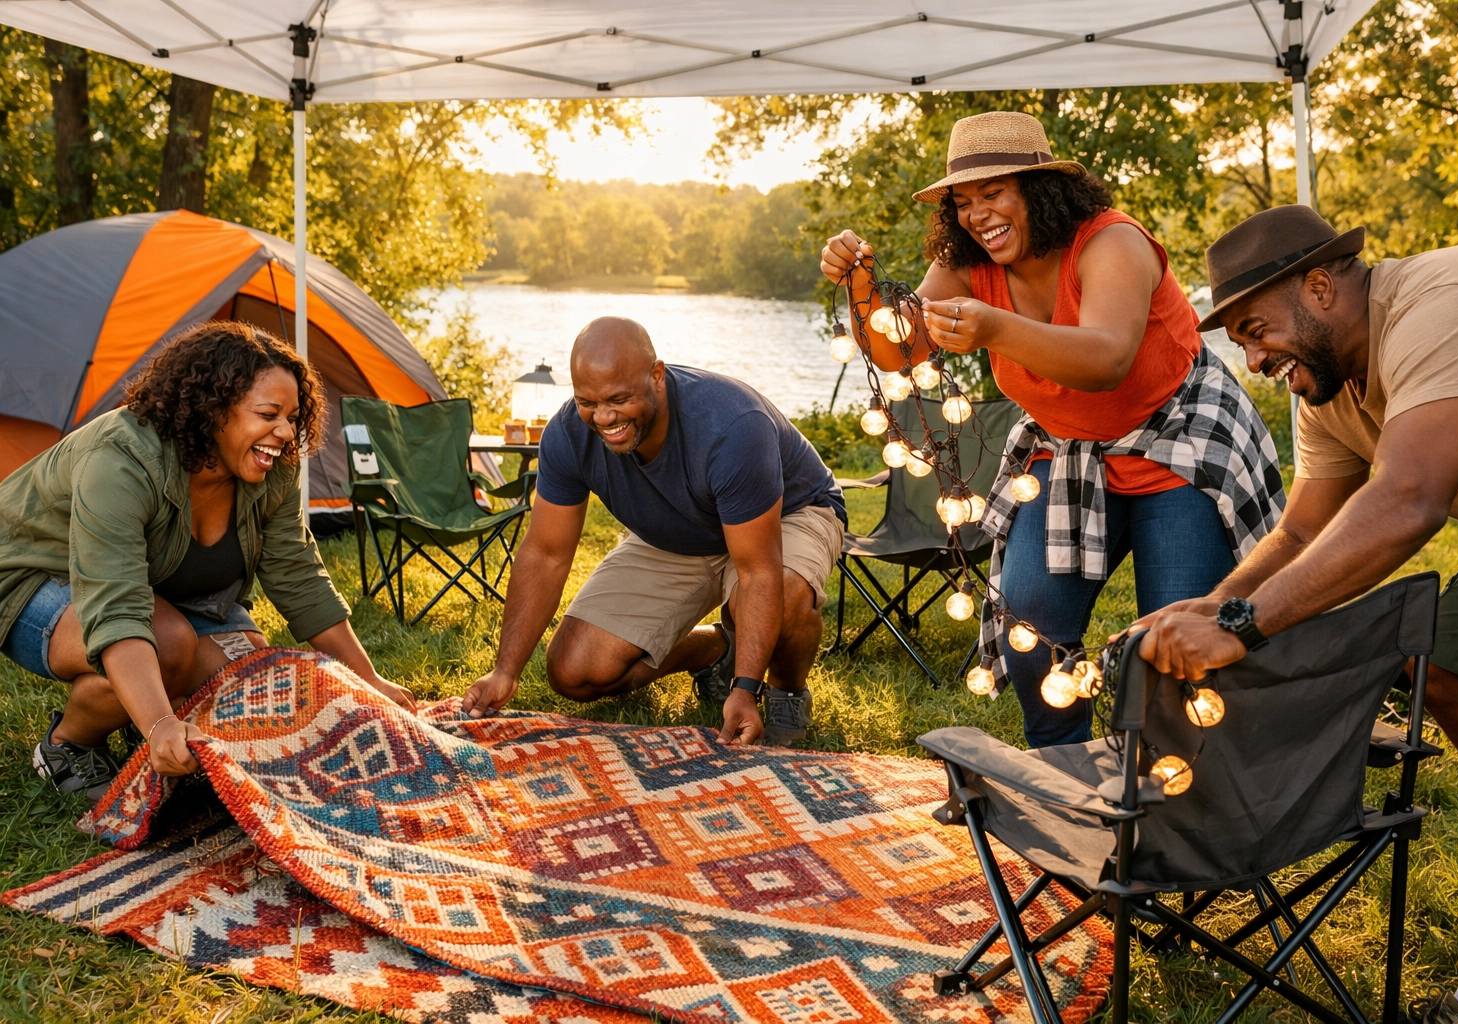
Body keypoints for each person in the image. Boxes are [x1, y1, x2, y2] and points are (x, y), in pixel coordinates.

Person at [1136, 204, 1458, 1024]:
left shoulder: (1444, 305)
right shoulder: (1331, 387)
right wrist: (1212, 603)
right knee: (1444, 672)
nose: (1251, 359)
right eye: (1239, 342)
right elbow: (1304, 530)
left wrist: (1242, 629)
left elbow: (1408, 500)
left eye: (1255, 329)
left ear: (1320, 287)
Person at [819, 110, 1283, 748]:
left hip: (1178, 440)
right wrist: (862, 285)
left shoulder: (1111, 242)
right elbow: (901, 352)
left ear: (1040, 190)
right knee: (1031, 616)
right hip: (1068, 450)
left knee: (1174, 639)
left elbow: (1106, 359)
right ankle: (1065, 768)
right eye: (962, 201)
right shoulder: (967, 264)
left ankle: (1168, 797)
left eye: (993, 194)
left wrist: (996, 329)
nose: (977, 215)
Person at [0, 321, 413, 802]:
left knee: (255, 681)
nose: (285, 431)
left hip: (160, 589)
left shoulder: (272, 465)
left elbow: (298, 574)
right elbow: (115, 604)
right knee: (169, 647)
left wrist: (369, 679)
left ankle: (153, 714)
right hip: (31, 576)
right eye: (268, 413)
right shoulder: (120, 457)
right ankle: (69, 744)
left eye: (293, 416)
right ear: (211, 408)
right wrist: (160, 723)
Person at [462, 316, 846, 747]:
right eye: (586, 401)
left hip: (786, 516)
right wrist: (505, 671)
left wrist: (745, 690)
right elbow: (545, 554)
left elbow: (758, 571)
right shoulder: (569, 433)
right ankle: (715, 651)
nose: (603, 417)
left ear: (657, 376)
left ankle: (785, 691)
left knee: (785, 593)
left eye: (618, 399)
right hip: (679, 532)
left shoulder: (732, 425)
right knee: (575, 671)